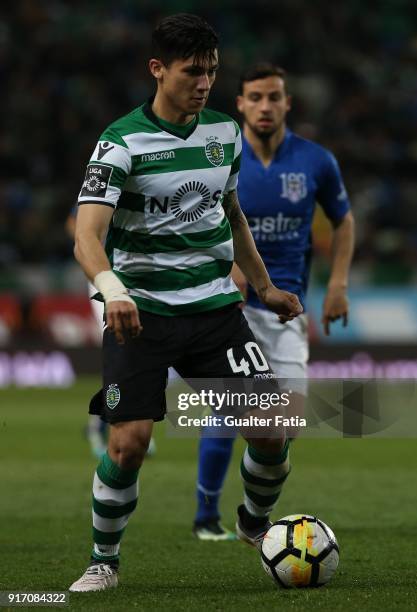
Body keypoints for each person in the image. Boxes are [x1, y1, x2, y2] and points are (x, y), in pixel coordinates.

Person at [68, 16, 302, 592]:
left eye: (212, 72)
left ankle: (253, 521)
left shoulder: (224, 133)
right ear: (159, 70)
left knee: (274, 431)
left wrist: (265, 287)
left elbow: (233, 215)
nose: (205, 83)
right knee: (128, 444)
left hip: (215, 312)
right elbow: (86, 237)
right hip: (141, 317)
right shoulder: (121, 142)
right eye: (193, 72)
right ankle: (104, 562)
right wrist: (114, 291)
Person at [193, 63, 354, 540]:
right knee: (228, 410)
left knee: (283, 431)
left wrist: (339, 285)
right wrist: (230, 270)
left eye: (275, 97)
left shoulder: (316, 161)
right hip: (230, 308)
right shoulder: (218, 156)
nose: (266, 106)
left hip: (289, 310)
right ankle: (206, 516)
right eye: (256, 97)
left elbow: (343, 221)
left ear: (288, 104)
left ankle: (250, 518)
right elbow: (198, 224)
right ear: (240, 103)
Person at [65, 211, 156, 459]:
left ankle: (133, 418)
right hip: (104, 280)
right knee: (119, 351)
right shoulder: (106, 181)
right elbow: (75, 223)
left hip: (137, 276)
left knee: (138, 354)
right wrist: (92, 242)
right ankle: (101, 424)